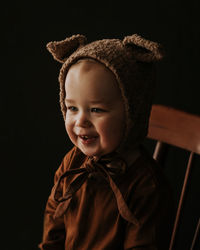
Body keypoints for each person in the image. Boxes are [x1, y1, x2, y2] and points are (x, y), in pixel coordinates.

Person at [38, 34, 173, 249]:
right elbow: (54, 221)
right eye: (72, 108)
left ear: (131, 114)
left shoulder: (147, 187)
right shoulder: (73, 162)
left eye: (96, 110)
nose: (81, 120)